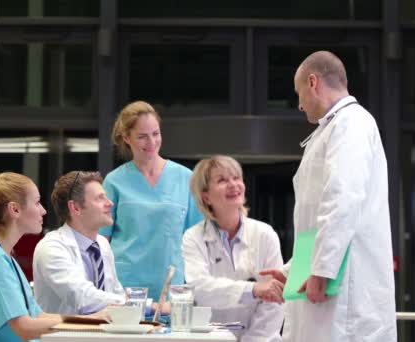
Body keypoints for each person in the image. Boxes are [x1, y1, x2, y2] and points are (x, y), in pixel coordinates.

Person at [261, 50, 397, 341]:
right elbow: (317, 220)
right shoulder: (332, 128)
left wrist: (322, 270)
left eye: (299, 94)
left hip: (346, 290)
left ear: (313, 82)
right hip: (328, 278)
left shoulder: (352, 123)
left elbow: (342, 199)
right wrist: (295, 268)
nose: (299, 105)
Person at [0, 172, 105, 342]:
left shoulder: (3, 257)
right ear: (14, 209)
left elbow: (37, 316)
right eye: (37, 203)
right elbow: (24, 328)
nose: (43, 211)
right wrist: (92, 322)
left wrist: (94, 319)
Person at [100, 100, 203, 301]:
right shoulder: (114, 181)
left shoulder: (186, 178)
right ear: (126, 138)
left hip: (172, 288)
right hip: (125, 287)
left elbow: (196, 239)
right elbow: (102, 241)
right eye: (142, 137)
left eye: (156, 134)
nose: (152, 142)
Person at [183, 155, 284, 342]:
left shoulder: (265, 233)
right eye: (222, 180)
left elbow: (275, 302)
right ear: (206, 196)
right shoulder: (193, 237)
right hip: (211, 338)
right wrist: (253, 289)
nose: (233, 185)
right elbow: (200, 289)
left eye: (237, 178)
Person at [33, 171, 125, 315]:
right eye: (100, 198)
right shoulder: (51, 247)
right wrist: (139, 305)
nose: (110, 203)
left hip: (100, 334)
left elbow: (115, 293)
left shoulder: (102, 244)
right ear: (75, 208)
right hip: (60, 336)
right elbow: (83, 297)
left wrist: (136, 306)